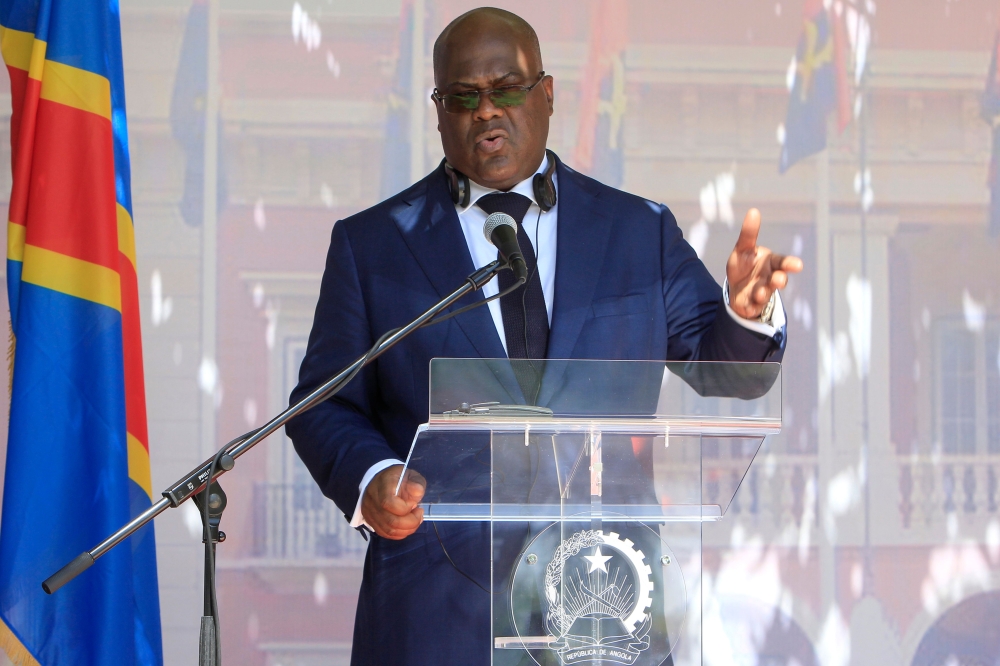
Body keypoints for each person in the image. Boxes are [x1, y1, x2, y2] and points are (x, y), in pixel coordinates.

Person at [286, 7, 803, 665]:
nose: (486, 111)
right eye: (463, 97)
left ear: (547, 95)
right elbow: (324, 405)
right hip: (438, 614)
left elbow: (723, 370)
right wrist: (373, 478)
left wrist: (745, 316)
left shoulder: (637, 231)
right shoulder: (373, 246)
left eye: (506, 88)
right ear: (438, 109)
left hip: (606, 603)